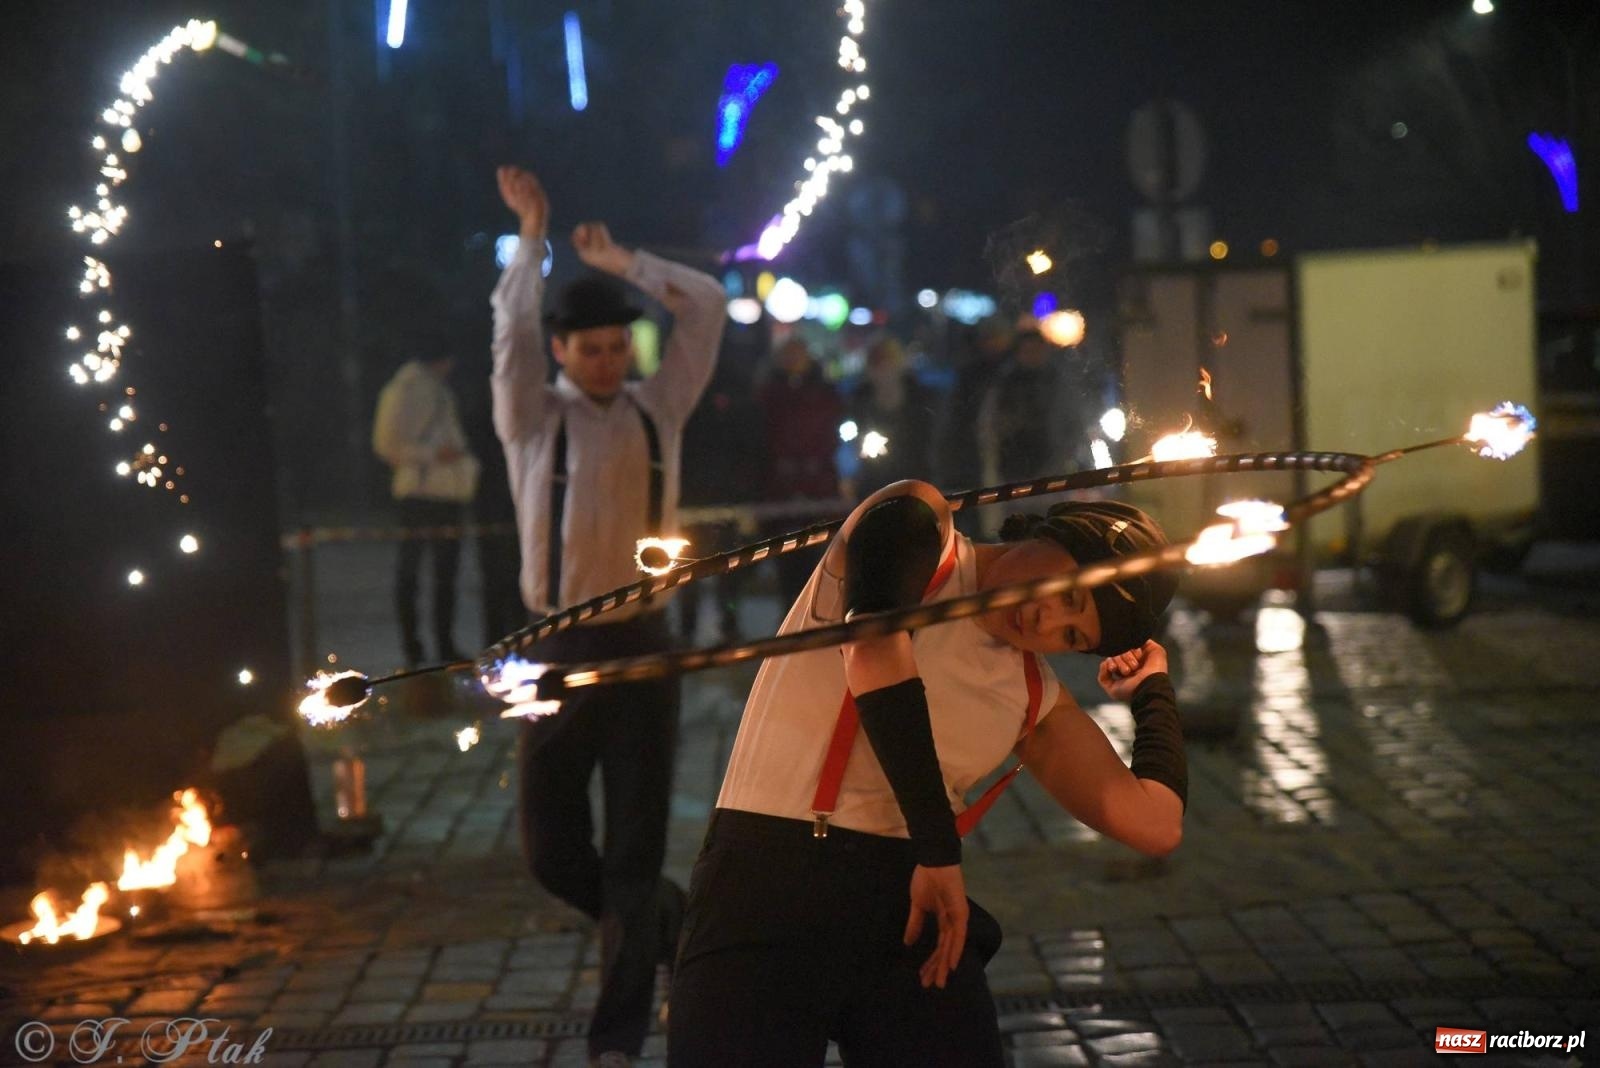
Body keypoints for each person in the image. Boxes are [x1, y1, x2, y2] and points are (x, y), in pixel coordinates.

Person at [668, 481, 1186, 1067]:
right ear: (1056, 537)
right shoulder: (920, 525)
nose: (1045, 618)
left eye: (1073, 635)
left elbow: (1156, 824)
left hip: (908, 909)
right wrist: (939, 849)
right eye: (1070, 591)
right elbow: (875, 652)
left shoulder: (1032, 692)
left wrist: (1153, 693)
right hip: (769, 880)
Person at [491, 165, 725, 1068]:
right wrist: (534, 233)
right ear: (562, 353)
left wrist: (626, 263)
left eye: (615, 346)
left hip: (642, 643)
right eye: (587, 349)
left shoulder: (659, 409)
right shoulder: (530, 420)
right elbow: (510, 330)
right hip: (550, 648)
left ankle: (617, 1039)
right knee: (551, 851)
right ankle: (668, 928)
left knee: (633, 847)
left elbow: (703, 308)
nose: (605, 360)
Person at [372, 351, 478, 667]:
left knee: (443, 576)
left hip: (446, 493)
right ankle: (414, 648)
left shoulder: (437, 389)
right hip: (418, 494)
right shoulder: (404, 390)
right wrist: (433, 455)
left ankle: (441, 646)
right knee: (412, 574)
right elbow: (386, 445)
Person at [757, 336, 843, 609]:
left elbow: (831, 435)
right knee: (787, 565)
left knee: (817, 564)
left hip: (817, 490)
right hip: (782, 491)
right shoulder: (769, 393)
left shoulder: (825, 392)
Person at [843, 336, 936, 500]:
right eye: (876, 362)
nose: (882, 368)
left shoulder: (918, 399)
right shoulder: (860, 401)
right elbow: (851, 443)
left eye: (887, 360)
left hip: (914, 482)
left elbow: (928, 439)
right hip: (873, 484)